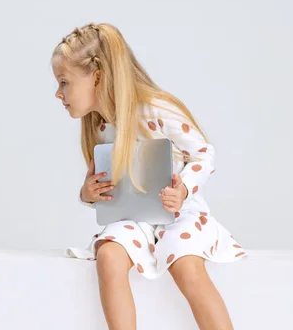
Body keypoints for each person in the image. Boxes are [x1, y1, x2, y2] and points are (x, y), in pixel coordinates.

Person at [51, 22, 246, 330]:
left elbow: (204, 154)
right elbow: (113, 189)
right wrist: (88, 194)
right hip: (136, 218)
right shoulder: (101, 127)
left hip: (177, 211)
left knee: (185, 264)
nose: (58, 93)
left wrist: (184, 190)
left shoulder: (156, 109)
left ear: (97, 77)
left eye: (64, 82)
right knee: (109, 257)